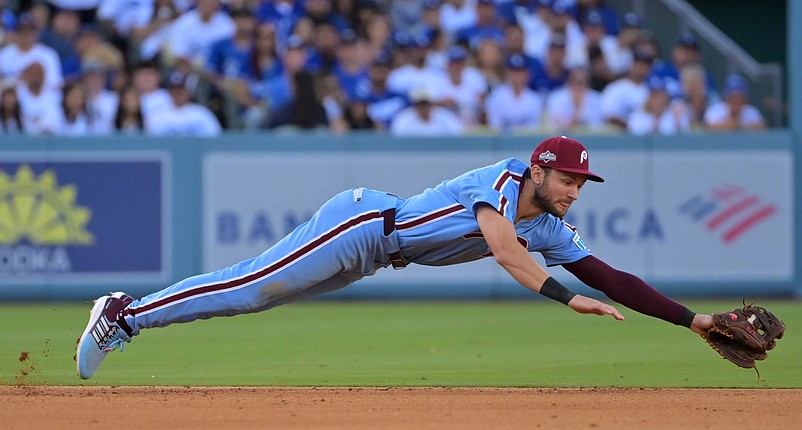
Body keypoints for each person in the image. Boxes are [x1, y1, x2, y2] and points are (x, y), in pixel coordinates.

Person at [76, 135, 717, 380]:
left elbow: (611, 276)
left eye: (583, 185)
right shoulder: (501, 179)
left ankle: (132, 315)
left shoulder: (549, 224)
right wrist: (564, 297)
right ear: (540, 170)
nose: (575, 192)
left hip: (377, 254)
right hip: (362, 223)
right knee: (251, 286)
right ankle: (124, 313)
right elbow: (502, 251)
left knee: (253, 294)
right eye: (569, 181)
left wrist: (694, 322)